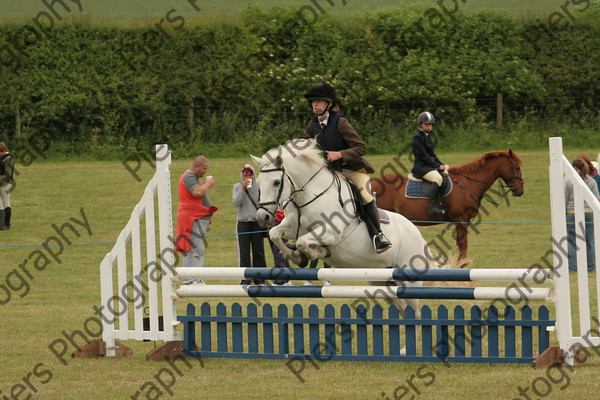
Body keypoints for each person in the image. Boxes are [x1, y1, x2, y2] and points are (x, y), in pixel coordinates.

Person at [301, 82, 391, 254]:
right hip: (331, 172)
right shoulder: (312, 124)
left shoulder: (340, 122)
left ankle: (378, 236)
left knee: (364, 195)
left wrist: (340, 154)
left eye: (319, 101)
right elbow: (303, 145)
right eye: (313, 102)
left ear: (329, 104)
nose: (315, 105)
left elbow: (360, 148)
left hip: (353, 170)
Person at [174, 155, 218, 284]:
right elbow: (197, 193)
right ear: (196, 166)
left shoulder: (193, 178)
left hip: (196, 218)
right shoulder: (189, 177)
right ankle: (191, 279)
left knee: (195, 249)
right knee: (195, 249)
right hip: (193, 218)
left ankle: (193, 278)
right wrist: (208, 184)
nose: (205, 171)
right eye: (204, 169)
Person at [232, 164, 266, 285]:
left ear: (254, 175)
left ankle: (260, 278)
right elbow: (236, 202)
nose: (248, 177)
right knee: (244, 251)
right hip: (243, 222)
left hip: (256, 222)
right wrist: (242, 188)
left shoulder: (259, 187)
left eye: (250, 174)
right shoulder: (237, 187)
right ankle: (245, 278)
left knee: (258, 251)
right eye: (245, 175)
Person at [411, 112, 449, 217]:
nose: (429, 126)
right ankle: (431, 207)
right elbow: (423, 156)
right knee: (438, 179)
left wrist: (441, 164)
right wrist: (437, 166)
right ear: (421, 125)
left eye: (431, 124)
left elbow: (432, 155)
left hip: (428, 166)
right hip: (421, 168)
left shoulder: (427, 137)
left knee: (446, 171)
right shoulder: (417, 137)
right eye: (427, 124)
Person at [565, 158, 600, 272]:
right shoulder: (592, 181)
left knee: (572, 241)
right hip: (589, 213)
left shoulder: (569, 181)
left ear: (575, 168)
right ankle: (591, 266)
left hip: (572, 213)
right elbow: (597, 199)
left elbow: (564, 198)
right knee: (590, 241)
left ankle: (572, 267)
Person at [270, 208, 293, 286]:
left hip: (281, 220)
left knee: (278, 250)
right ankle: (286, 279)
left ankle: (280, 280)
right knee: (280, 249)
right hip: (278, 220)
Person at [0, 142, 14, 231]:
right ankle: (2, 224)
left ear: (4, 150)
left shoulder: (9, 158)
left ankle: (7, 223)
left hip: (5, 183)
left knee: (6, 203)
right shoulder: (1, 158)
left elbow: (8, 174)